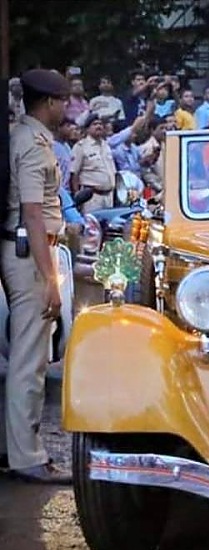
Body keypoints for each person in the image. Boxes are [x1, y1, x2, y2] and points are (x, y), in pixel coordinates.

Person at [0, 69, 72, 483]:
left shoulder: (29, 137)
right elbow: (31, 212)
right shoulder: (30, 144)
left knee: (25, 356)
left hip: (29, 248)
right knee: (30, 360)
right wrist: (50, 279)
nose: (67, 108)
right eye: (63, 101)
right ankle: (28, 457)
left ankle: (16, 449)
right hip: (30, 254)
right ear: (49, 103)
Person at [70, 113, 117, 212]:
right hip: (92, 198)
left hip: (109, 196)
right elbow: (74, 174)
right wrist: (77, 197)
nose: (98, 126)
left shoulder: (106, 146)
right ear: (87, 129)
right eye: (95, 124)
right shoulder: (81, 146)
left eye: (100, 124)